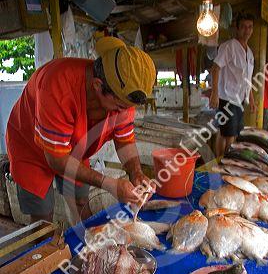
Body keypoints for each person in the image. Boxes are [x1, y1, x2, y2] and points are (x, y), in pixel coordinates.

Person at [6, 37, 156, 224]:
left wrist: (136, 172)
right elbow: (57, 160)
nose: (122, 113)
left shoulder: (122, 93)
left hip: (75, 146)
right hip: (31, 147)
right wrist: (109, 184)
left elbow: (124, 139)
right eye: (118, 107)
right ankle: (48, 250)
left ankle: (89, 242)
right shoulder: (57, 87)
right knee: (43, 216)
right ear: (97, 86)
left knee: (81, 199)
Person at [210, 13, 256, 157]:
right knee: (227, 134)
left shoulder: (250, 53)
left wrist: (252, 100)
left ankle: (226, 161)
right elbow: (215, 68)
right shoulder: (229, 46)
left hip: (240, 100)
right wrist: (214, 93)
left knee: (234, 133)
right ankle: (222, 162)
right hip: (226, 98)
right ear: (237, 28)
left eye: (249, 27)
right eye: (243, 27)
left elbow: (247, 79)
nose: (246, 30)